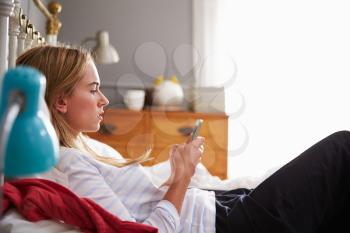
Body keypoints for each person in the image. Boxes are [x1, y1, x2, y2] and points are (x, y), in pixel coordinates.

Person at [16, 45, 350, 233]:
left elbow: (137, 204)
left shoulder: (83, 147)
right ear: (60, 101)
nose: (104, 99)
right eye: (93, 90)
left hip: (219, 206)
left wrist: (178, 176)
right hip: (227, 226)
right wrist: (181, 179)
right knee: (341, 150)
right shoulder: (69, 164)